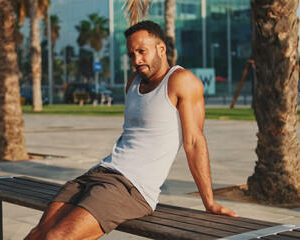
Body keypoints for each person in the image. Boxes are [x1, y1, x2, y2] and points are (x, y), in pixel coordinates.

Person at [25, 20, 238, 240]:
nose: (136, 60)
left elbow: (194, 142)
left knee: (57, 238)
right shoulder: (133, 81)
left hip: (132, 187)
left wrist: (209, 202)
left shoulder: (181, 81)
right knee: (38, 234)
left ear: (161, 48)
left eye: (142, 51)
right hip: (100, 172)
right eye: (131, 54)